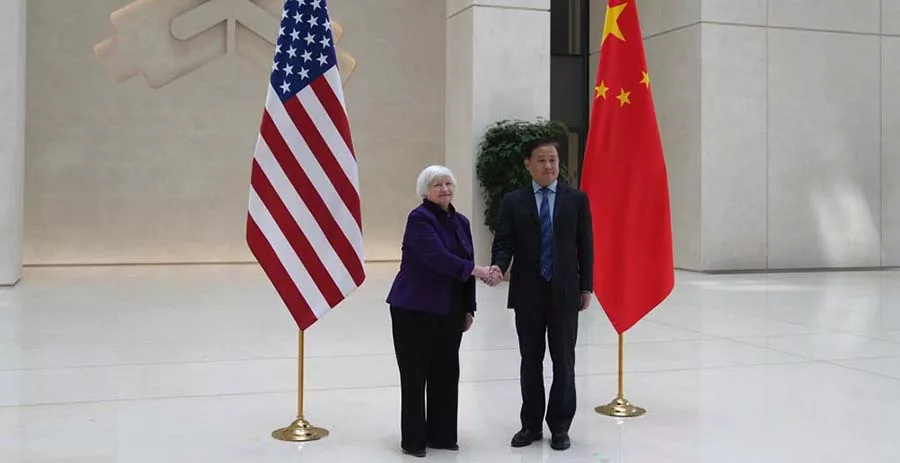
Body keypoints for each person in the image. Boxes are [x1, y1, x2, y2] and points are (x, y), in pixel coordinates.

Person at [487, 138, 594, 451]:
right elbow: (504, 241)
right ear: (528, 164)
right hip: (528, 292)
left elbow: (586, 245)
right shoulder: (513, 201)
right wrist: (498, 266)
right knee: (530, 360)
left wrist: (586, 286)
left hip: (564, 292)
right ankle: (531, 425)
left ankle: (560, 426)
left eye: (553, 160)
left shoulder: (576, 199)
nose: (548, 166)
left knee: (564, 361)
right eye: (542, 160)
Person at [385, 165, 494, 458]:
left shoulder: (461, 221)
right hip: (414, 308)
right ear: (426, 191)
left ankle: (442, 435)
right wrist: (480, 270)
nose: (444, 189)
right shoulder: (419, 219)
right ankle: (414, 441)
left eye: (448, 184)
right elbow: (438, 258)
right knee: (415, 374)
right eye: (437, 185)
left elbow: (466, 261)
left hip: (450, 309)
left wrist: (469, 307)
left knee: (446, 372)